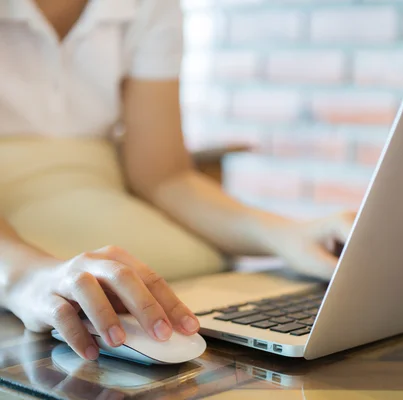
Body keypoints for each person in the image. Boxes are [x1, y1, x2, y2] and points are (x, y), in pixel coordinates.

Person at [0, 0, 355, 362]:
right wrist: (25, 278)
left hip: (105, 219)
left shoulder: (149, 6)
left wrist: (287, 235)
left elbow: (165, 176)